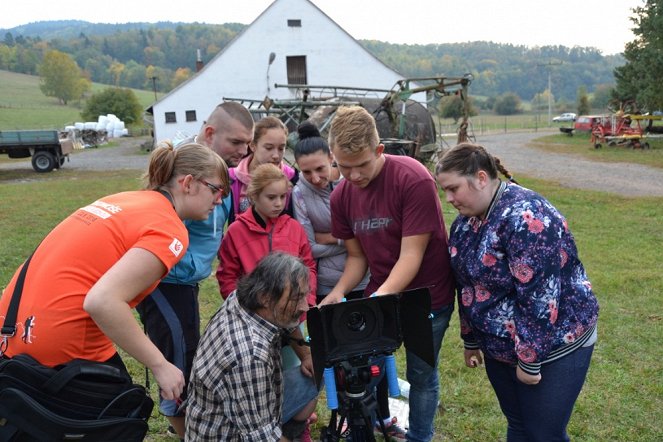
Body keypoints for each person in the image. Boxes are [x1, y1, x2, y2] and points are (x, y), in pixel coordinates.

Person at [0, 142, 228, 407]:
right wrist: (160, 364)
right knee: (124, 414)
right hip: (60, 343)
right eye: (216, 189)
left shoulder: (124, 199)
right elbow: (102, 301)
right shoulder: (168, 228)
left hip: (13, 328)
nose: (220, 199)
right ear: (188, 183)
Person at [435, 142, 599, 442]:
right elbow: (467, 285)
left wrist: (529, 360)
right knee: (519, 425)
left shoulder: (527, 218)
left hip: (555, 344)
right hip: (500, 348)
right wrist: (470, 339)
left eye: (454, 188)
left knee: (544, 432)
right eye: (444, 190)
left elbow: (539, 297)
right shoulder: (465, 224)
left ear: (481, 178)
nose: (449, 199)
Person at [320, 106, 456, 442]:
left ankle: (420, 437)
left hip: (428, 296)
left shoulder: (413, 179)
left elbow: (411, 256)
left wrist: (380, 297)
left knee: (422, 373)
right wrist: (339, 291)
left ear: (379, 151)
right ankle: (365, 428)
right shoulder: (341, 196)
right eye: (343, 167)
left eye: (361, 166)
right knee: (362, 369)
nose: (352, 176)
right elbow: (356, 257)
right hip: (382, 294)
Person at [135, 102, 253, 438]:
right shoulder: (182, 173)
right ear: (211, 133)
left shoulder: (222, 176)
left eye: (248, 143)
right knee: (174, 362)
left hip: (188, 283)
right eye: (237, 142)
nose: (244, 151)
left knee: (191, 354)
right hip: (162, 280)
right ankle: (185, 432)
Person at [186, 252, 319, 441]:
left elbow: (288, 324)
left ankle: (290, 429)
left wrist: (306, 355)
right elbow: (263, 438)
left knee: (318, 370)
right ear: (265, 297)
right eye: (296, 298)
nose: (305, 306)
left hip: (241, 402)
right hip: (228, 435)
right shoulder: (250, 356)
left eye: (304, 296)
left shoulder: (243, 298)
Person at [291, 121, 369, 303]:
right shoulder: (299, 194)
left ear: (331, 158)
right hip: (326, 283)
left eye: (320, 169)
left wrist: (331, 237)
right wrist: (353, 240)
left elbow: (370, 236)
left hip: (365, 278)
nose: (315, 178)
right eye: (307, 172)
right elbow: (311, 248)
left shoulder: (353, 182)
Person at [228, 116, 298, 220]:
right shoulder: (231, 178)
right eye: (269, 148)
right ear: (252, 145)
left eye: (281, 148)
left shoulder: (292, 177)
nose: (276, 155)